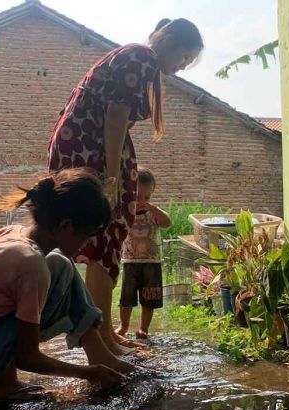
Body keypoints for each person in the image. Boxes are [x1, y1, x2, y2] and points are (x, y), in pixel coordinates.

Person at [47, 18, 204, 355]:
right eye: (184, 56)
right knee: (107, 230)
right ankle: (101, 334)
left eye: (190, 61)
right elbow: (116, 115)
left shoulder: (140, 60)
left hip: (90, 146)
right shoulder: (141, 57)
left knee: (108, 234)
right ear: (168, 41)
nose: (183, 66)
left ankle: (104, 330)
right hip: (91, 150)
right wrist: (112, 176)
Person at [0, 168, 134, 403]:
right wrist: (86, 374)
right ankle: (0, 386)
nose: (88, 244)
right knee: (48, 272)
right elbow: (28, 357)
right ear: (66, 226)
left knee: (61, 264)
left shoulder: (13, 234)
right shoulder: (31, 265)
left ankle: (98, 352)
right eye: (88, 235)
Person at [116, 167, 171, 339]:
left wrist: (153, 208)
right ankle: (123, 326)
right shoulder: (126, 213)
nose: (142, 201)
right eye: (138, 197)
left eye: (147, 197)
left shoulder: (153, 213)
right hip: (130, 261)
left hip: (151, 262)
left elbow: (167, 222)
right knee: (126, 298)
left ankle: (143, 328)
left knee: (149, 298)